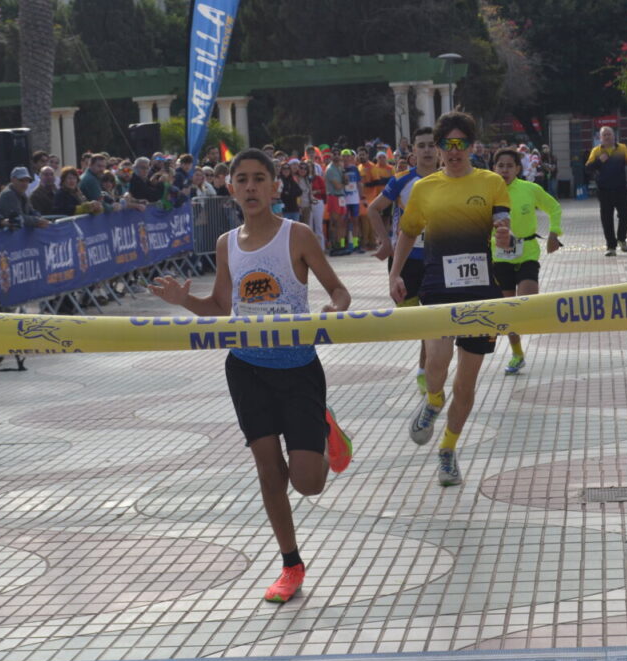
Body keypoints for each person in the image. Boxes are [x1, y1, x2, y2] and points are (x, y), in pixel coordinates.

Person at [150, 148, 353, 604]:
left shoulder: (296, 235)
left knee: (308, 482)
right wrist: (186, 301)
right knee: (268, 470)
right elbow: (222, 307)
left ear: (275, 186)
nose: (250, 187)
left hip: (298, 367)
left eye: (259, 178)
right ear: (230, 187)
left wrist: (335, 308)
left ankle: (324, 428)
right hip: (246, 368)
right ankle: (290, 563)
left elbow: (338, 288)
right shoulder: (226, 243)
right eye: (241, 179)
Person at [389, 111, 511, 487]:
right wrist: (395, 273)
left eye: (461, 144)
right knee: (437, 364)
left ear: (472, 147)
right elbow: (408, 234)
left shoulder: (491, 182)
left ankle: (448, 449)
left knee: (467, 385)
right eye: (447, 144)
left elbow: (501, 223)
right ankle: (433, 401)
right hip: (438, 288)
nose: (454, 151)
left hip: (480, 294)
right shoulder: (425, 189)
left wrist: (504, 235)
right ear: (439, 148)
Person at [368, 126, 438, 394]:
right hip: (405, 259)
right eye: (422, 145)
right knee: (413, 321)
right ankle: (426, 363)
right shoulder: (401, 180)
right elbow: (374, 210)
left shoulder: (449, 180)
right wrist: (386, 241)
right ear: (413, 152)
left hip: (436, 258)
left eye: (432, 145)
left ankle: (424, 369)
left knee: (431, 319)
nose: (428, 150)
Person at [491, 148, 562, 375]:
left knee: (527, 301)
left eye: (509, 166)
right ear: (494, 168)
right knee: (508, 309)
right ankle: (517, 353)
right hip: (499, 257)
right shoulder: (489, 193)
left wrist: (553, 235)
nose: (504, 170)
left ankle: (520, 337)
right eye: (500, 165)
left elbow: (554, 207)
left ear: (518, 169)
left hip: (527, 252)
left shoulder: (530, 189)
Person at [586, 126, 627, 256]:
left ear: (614, 136)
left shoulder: (622, 148)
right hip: (604, 190)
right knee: (606, 219)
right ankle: (611, 246)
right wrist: (599, 161)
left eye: (609, 134)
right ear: (600, 138)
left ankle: (621, 239)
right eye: (604, 135)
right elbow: (588, 168)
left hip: (620, 188)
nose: (607, 137)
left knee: (625, 215)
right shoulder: (596, 151)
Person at [324, 152, 347, 255]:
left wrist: (344, 181)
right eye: (335, 154)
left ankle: (341, 245)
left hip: (341, 197)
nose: (337, 156)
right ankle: (334, 246)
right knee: (335, 222)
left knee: (341, 223)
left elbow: (345, 181)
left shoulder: (339, 168)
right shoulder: (331, 169)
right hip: (334, 197)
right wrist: (344, 183)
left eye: (339, 154)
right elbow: (338, 186)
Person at [341, 150, 364, 251]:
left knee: (355, 222)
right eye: (344, 156)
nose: (346, 158)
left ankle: (355, 244)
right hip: (343, 199)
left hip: (354, 199)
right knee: (343, 222)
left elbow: (359, 183)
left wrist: (361, 196)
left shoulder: (354, 168)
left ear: (351, 157)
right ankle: (343, 244)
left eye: (347, 156)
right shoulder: (339, 169)